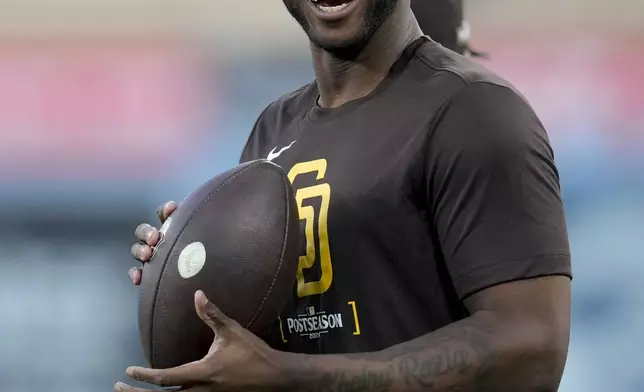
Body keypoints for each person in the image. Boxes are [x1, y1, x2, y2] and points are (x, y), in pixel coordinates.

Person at [119, 0, 572, 391]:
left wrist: (290, 376)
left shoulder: (473, 111)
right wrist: (190, 269)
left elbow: (531, 350)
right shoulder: (273, 128)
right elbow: (260, 354)